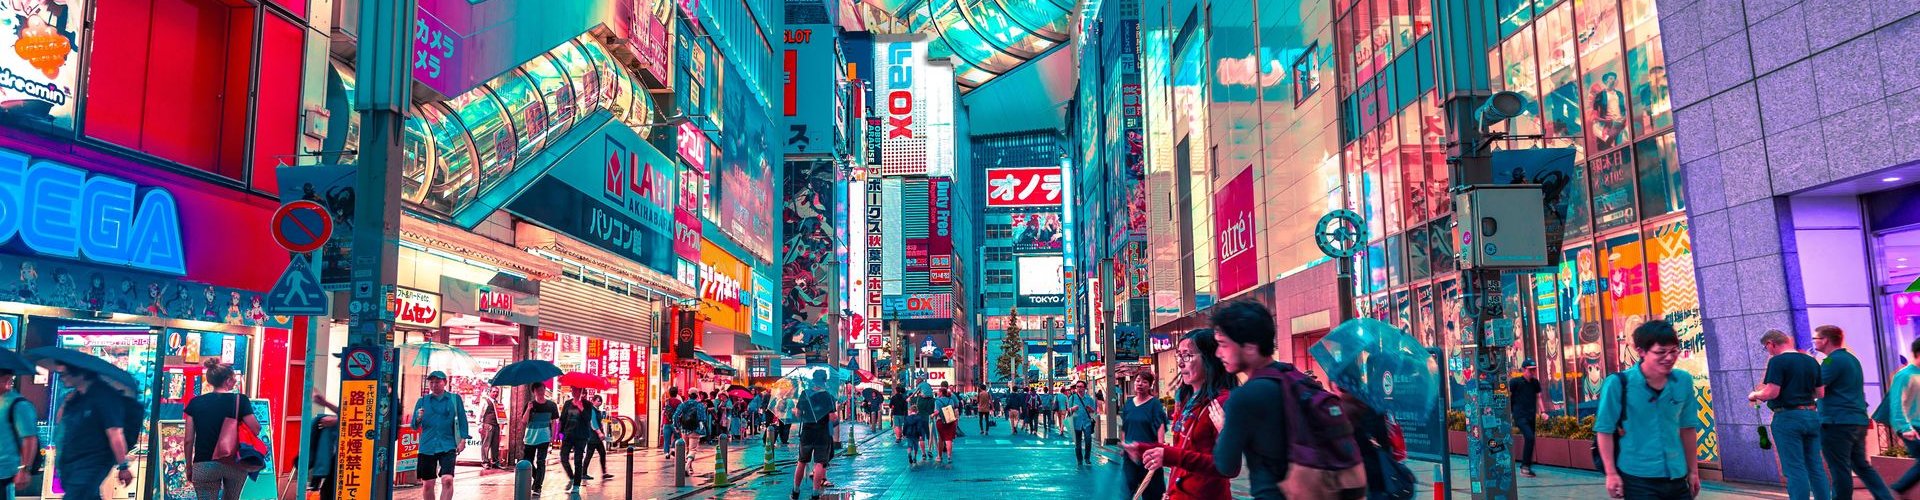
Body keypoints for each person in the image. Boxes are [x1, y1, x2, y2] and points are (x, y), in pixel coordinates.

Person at [1596, 320, 1703, 499]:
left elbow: (1687, 428)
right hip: (1638, 477)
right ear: (1641, 351)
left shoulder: (1683, 381)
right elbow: (1604, 430)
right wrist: (1611, 474)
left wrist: (1693, 471)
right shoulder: (1618, 384)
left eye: (1673, 351)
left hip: (1676, 475)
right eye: (1660, 352)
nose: (1669, 358)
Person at [1131, 329, 1237, 500]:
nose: (1180, 363)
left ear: (1210, 358)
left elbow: (1228, 467)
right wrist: (1145, 448)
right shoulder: (1188, 399)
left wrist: (1170, 456)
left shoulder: (1222, 403)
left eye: (1187, 356)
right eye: (1179, 356)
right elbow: (1185, 450)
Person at [1207, 301, 1296, 500]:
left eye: (1223, 344)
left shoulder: (1243, 397)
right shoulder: (1295, 378)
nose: (1218, 353)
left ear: (1249, 347)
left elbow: (1226, 466)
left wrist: (1224, 428)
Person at [1812, 325, 1894, 500]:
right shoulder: (1852, 359)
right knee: (1861, 465)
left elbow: (1817, 388)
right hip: (1857, 420)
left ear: (1825, 340)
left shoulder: (1830, 361)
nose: (1813, 342)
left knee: (1839, 468)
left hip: (1837, 422)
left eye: (1815, 339)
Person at [1748, 329, 1828, 500]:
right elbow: (1820, 393)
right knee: (1815, 466)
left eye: (1766, 348)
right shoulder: (1811, 361)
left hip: (1788, 418)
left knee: (1795, 468)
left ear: (1771, 343)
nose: (1768, 352)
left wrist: (1755, 394)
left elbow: (1772, 392)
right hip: (1812, 416)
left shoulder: (1777, 361)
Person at [182, 358, 258, 500]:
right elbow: (255, 429)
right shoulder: (240, 400)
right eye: (233, 379)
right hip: (234, 463)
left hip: (204, 463)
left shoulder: (195, 403)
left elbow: (188, 440)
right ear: (227, 380)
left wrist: (189, 467)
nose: (235, 381)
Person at [55, 367, 135, 500]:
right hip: (71, 463)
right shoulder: (77, 396)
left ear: (80, 374)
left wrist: (123, 466)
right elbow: (60, 422)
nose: (61, 378)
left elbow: (115, 433)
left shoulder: (105, 397)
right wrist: (66, 403)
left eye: (64, 374)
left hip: (91, 462)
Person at [412, 371, 469, 500]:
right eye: (431, 382)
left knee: (447, 479)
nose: (434, 385)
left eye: (437, 382)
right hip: (427, 446)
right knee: (428, 484)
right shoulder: (422, 401)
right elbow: (414, 426)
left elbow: (462, 420)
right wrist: (418, 417)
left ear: (445, 383)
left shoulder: (455, 399)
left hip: (448, 445)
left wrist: (463, 440)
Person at [1116, 373, 1168, 498]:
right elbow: (1125, 426)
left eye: (1145, 382)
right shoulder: (1129, 404)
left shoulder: (1155, 404)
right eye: (1138, 381)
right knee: (1126, 491)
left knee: (1152, 492)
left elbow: (1160, 427)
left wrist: (1160, 447)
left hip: (1149, 455)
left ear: (1150, 386)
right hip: (1130, 456)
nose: (1140, 384)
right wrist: (1124, 445)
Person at [1884, 338, 1920, 497]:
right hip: (1911, 426)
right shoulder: (1904, 375)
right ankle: (1897, 489)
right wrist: (1905, 428)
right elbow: (1897, 403)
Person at [793, 374, 836, 500]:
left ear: (813, 381)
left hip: (807, 432)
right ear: (824, 382)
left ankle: (795, 491)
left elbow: (798, 414)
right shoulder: (827, 396)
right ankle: (815, 494)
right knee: (819, 463)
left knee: (801, 461)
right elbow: (832, 417)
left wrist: (796, 412)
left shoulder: (805, 394)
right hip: (822, 433)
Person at [1509, 359, 1554, 477]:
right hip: (1519, 415)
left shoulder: (1535, 383)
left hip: (1531, 415)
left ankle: (1526, 467)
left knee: (1531, 439)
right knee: (1529, 437)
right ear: (1524, 370)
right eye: (1530, 370)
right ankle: (1525, 467)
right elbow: (1507, 397)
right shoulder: (1515, 382)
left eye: (1534, 369)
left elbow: (1538, 397)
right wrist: (1508, 413)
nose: (1533, 372)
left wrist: (1543, 412)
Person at [519, 384, 559, 495]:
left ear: (545, 390)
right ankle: (537, 477)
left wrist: (553, 436)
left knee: (541, 461)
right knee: (528, 461)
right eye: (537, 390)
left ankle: (537, 487)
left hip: (544, 437)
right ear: (534, 392)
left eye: (542, 389)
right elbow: (524, 421)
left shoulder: (551, 405)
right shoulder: (530, 405)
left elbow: (554, 422)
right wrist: (528, 409)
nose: (540, 392)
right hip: (530, 438)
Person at [558, 387, 598, 492]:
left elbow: (588, 419)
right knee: (563, 457)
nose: (574, 392)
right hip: (568, 435)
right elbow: (562, 419)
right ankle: (571, 477)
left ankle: (576, 485)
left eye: (577, 390)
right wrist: (560, 435)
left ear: (581, 392)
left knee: (578, 460)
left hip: (581, 436)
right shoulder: (567, 403)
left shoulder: (587, 404)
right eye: (573, 390)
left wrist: (581, 407)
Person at [307, 395, 340, 500]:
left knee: (329, 490)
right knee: (328, 490)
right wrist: (326, 403)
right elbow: (347, 411)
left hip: (358, 452)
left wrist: (337, 421)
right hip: (344, 452)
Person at [1066, 381, 1099, 465]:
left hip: (1087, 422)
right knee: (1078, 443)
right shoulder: (1072, 398)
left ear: (1085, 388)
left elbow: (1094, 411)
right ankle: (1079, 459)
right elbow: (1068, 410)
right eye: (1077, 386)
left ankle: (1087, 458)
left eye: (1081, 386)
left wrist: (1090, 409)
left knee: (1088, 440)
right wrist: (1072, 409)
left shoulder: (1089, 399)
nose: (1079, 388)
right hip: (1076, 423)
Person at [585, 394, 611, 479]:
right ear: (593, 401)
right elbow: (593, 423)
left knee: (602, 453)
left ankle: (604, 473)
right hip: (592, 437)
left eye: (601, 401)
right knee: (589, 455)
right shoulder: (592, 410)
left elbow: (599, 423)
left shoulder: (597, 411)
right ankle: (583, 473)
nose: (600, 402)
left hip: (597, 438)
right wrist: (599, 432)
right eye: (598, 401)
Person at [934, 386, 958, 463]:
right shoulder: (951, 400)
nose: (937, 393)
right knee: (949, 439)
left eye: (939, 392)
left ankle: (939, 456)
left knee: (940, 439)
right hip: (950, 421)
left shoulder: (937, 401)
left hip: (941, 421)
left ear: (941, 393)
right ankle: (949, 457)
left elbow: (937, 411)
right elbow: (954, 408)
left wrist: (932, 415)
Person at [478, 392, 502, 469]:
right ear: (490, 392)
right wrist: (479, 425)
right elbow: (480, 413)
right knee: (486, 444)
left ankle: (495, 462)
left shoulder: (497, 403)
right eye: (494, 392)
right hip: (488, 424)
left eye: (497, 392)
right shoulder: (485, 401)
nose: (495, 393)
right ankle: (485, 462)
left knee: (495, 445)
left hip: (496, 425)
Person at [661, 388, 683, 452]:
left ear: (669, 393)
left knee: (666, 440)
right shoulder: (678, 402)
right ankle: (673, 448)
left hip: (666, 422)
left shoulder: (666, 401)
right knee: (678, 437)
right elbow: (680, 412)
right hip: (675, 423)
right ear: (676, 393)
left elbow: (663, 411)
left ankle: (666, 453)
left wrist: (662, 423)